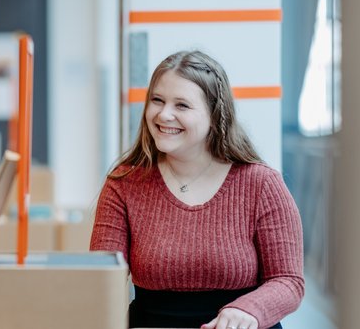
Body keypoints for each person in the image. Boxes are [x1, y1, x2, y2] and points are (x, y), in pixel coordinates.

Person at [91, 50, 303, 329]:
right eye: (157, 100)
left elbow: (288, 281)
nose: (164, 114)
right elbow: (100, 282)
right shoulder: (123, 183)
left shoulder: (262, 184)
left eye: (181, 105)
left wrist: (248, 310)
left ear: (215, 117)